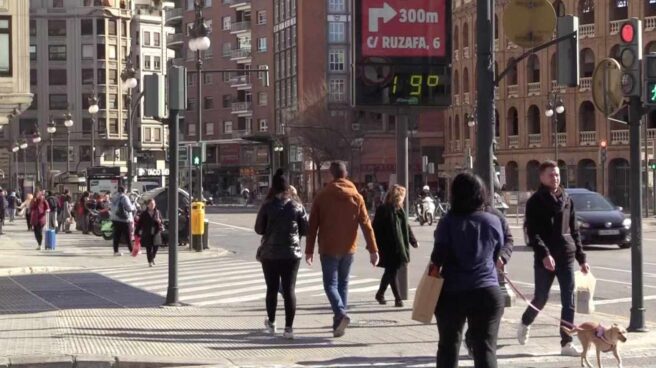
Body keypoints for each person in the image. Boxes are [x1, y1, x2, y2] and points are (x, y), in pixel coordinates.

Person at [432, 172, 506, 368]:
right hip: (487, 291)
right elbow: (497, 252)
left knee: (448, 346)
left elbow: (437, 258)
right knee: (486, 348)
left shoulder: (447, 222)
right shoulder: (492, 221)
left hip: (452, 292)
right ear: (481, 194)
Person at [517, 160, 590, 356]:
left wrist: (581, 259)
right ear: (541, 177)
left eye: (557, 174)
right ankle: (526, 321)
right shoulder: (535, 202)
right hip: (545, 259)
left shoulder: (567, 199)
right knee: (541, 298)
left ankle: (566, 343)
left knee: (569, 299)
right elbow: (533, 233)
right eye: (551, 175)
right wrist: (545, 254)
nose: (555, 178)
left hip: (566, 255)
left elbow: (574, 230)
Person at [305, 161, 379, 338]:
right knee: (343, 284)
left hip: (328, 247)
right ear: (346, 174)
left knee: (330, 284)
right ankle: (339, 322)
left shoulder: (322, 196)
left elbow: (312, 225)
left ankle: (340, 314)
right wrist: (373, 249)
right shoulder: (356, 196)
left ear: (331, 174)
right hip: (349, 247)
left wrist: (309, 250)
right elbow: (367, 225)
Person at [255, 169, 308, 339]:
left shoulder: (267, 206)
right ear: (287, 189)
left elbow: (259, 229)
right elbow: (305, 229)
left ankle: (271, 323)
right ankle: (289, 329)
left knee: (271, 289)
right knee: (289, 289)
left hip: (270, 254)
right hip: (291, 254)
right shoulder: (297, 206)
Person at [372, 184, 418, 307]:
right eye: (403, 196)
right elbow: (375, 228)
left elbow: (406, 227)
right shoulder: (383, 209)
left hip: (399, 246)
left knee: (390, 271)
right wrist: (373, 246)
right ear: (398, 196)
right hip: (387, 246)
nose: (404, 198)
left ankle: (380, 294)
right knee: (392, 271)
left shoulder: (400, 210)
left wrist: (413, 241)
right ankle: (398, 298)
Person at [135, 198, 163, 267]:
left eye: (153, 204)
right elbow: (140, 223)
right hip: (147, 232)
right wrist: (137, 232)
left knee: (156, 246)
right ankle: (149, 261)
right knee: (149, 247)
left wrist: (159, 221)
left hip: (156, 231)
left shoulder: (157, 212)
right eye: (151, 204)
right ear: (147, 205)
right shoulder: (144, 213)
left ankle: (152, 257)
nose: (152, 205)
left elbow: (162, 221)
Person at [110, 186, 136, 256]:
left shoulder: (113, 197)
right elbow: (129, 208)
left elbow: (111, 207)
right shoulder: (124, 197)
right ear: (124, 190)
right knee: (128, 236)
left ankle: (116, 251)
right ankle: (132, 251)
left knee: (116, 236)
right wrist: (133, 204)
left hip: (115, 218)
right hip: (124, 219)